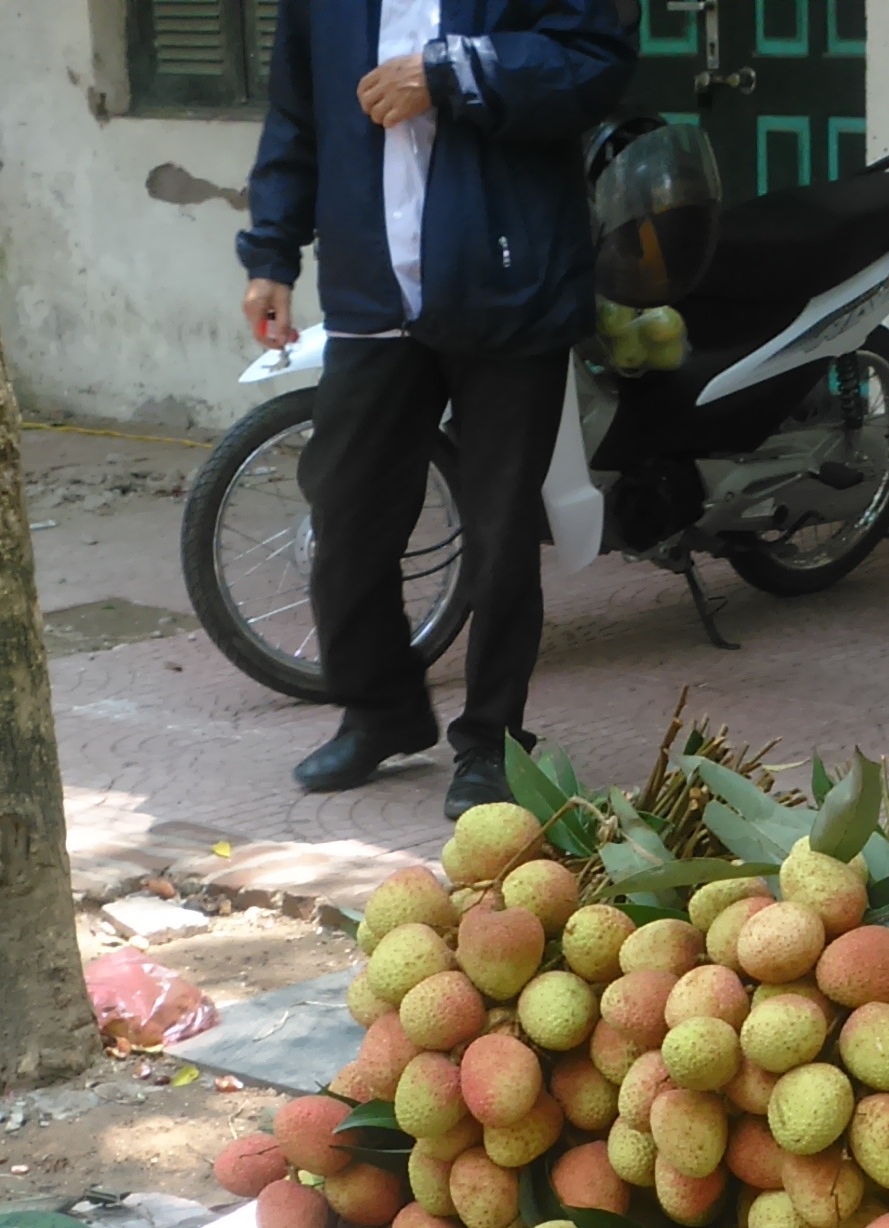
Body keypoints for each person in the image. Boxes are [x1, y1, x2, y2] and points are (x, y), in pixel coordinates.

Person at [236, 0, 631, 818]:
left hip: (509, 283)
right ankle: (382, 710)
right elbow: (296, 113)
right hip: (371, 293)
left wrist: (452, 73)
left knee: (499, 530)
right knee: (346, 511)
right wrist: (271, 252)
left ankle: (491, 743)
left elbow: (596, 63)